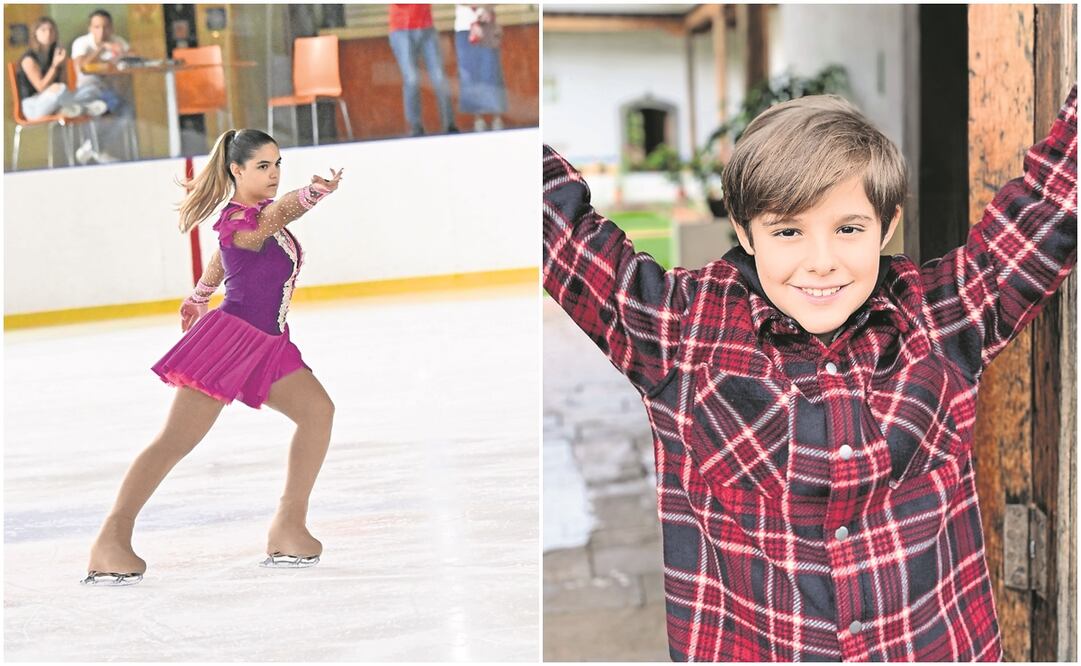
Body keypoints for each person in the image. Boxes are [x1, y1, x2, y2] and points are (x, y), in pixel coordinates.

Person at [542, 86, 1077, 661]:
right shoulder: (680, 331)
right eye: (787, 231)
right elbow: (560, 230)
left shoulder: (943, 318)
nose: (821, 260)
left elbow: (1053, 201)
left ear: (888, 224)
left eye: (848, 228)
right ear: (745, 232)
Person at [82, 129, 344, 586]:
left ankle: (288, 527)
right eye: (262, 166)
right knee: (175, 441)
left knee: (318, 412)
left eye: (278, 164)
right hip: (231, 342)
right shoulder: (247, 218)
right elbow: (267, 222)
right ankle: (111, 539)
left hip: (269, 342)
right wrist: (312, 194)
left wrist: (200, 294)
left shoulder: (253, 219)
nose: (274, 174)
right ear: (236, 170)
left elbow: (226, 259)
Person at [70, 8, 134, 163]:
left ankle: (94, 147)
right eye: (97, 27)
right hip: (86, 91)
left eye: (105, 27)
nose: (102, 31)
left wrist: (122, 53)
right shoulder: (81, 43)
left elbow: (134, 57)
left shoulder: (117, 41)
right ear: (90, 28)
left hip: (110, 93)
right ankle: (95, 148)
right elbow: (81, 67)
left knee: (127, 112)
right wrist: (102, 48)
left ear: (111, 28)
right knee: (96, 106)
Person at [15, 17, 108, 121]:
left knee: (92, 89)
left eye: (51, 30)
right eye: (43, 30)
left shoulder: (55, 54)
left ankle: (71, 109)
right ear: (35, 34)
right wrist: (55, 66)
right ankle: (82, 108)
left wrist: (62, 65)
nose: (48, 33)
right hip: (34, 106)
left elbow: (65, 84)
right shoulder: (29, 59)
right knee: (60, 89)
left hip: (58, 100)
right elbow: (40, 87)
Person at [388, 3, 458, 136]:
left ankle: (449, 124)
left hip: (426, 28)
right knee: (412, 78)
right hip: (401, 29)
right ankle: (415, 126)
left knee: (439, 77)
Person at [454, 5, 506, 132]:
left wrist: (485, 9)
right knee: (470, 73)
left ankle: (497, 117)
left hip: (487, 26)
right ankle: (478, 118)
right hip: (464, 27)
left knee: (492, 71)